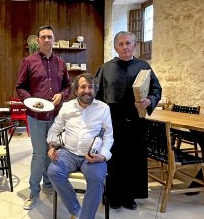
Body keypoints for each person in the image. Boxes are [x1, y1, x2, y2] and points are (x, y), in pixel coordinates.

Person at [95, 31, 162, 210]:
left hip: (135, 121)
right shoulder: (105, 68)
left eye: (128, 43)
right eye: (121, 44)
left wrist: (149, 101)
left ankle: (130, 196)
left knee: (133, 160)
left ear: (134, 45)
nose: (125, 47)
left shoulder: (143, 66)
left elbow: (157, 90)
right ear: (115, 47)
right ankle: (112, 195)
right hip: (112, 122)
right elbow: (96, 95)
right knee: (113, 159)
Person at [16, 25, 71, 210]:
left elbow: (68, 87)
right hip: (36, 116)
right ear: (38, 41)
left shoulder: (61, 64)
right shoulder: (28, 61)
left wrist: (62, 95)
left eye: (50, 36)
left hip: (56, 116)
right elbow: (20, 87)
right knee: (39, 154)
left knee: (52, 153)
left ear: (54, 39)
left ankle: (48, 185)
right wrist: (29, 100)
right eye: (43, 37)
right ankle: (33, 192)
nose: (47, 40)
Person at [47, 73, 114, 219]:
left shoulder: (103, 108)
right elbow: (54, 130)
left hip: (92, 156)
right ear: (76, 90)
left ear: (95, 91)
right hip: (68, 153)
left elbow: (109, 136)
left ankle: (86, 217)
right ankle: (76, 210)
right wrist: (53, 146)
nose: (87, 90)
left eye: (91, 87)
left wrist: (102, 156)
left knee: (97, 178)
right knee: (53, 172)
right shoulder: (67, 107)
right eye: (83, 87)